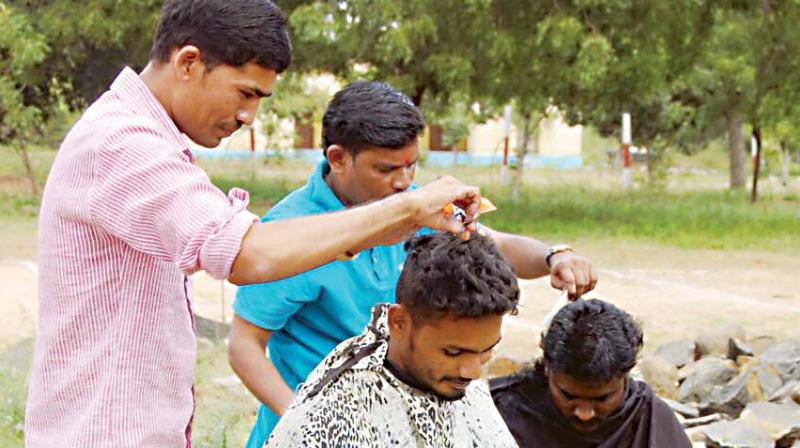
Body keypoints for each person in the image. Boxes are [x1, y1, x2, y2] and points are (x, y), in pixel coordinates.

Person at [25, 1, 483, 446]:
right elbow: (246, 253)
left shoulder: (148, 140)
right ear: (188, 62)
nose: (249, 116)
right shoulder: (122, 143)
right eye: (245, 93)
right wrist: (407, 208)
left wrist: (397, 222)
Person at [229, 80, 598, 447]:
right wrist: (310, 423)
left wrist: (554, 257)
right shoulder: (291, 234)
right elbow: (244, 346)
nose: (404, 182)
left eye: (412, 165)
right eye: (387, 169)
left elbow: (493, 242)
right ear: (338, 159)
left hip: (399, 423)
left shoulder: (416, 205)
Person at [265, 233, 520, 447]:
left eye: (487, 350)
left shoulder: (458, 379)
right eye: (453, 352)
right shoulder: (335, 412)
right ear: (398, 322)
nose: (473, 371)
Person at [490, 299, 691, 448]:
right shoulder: (499, 413)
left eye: (602, 399)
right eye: (568, 396)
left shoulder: (650, 423)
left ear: (625, 376)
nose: (584, 414)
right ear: (547, 368)